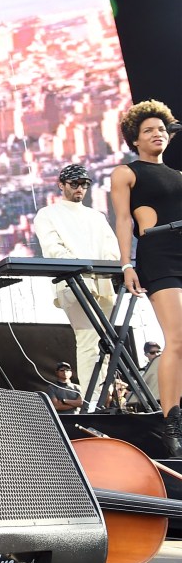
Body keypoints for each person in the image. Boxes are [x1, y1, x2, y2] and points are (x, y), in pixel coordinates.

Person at [112, 99, 182, 455]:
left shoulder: (179, 176)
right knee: (178, 338)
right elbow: (124, 220)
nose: (158, 134)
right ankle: (172, 424)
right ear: (135, 139)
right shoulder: (127, 173)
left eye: (161, 129)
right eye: (149, 130)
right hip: (160, 253)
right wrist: (127, 264)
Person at [32, 164, 120, 409]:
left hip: (103, 283)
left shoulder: (97, 216)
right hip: (74, 282)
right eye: (74, 184)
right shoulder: (48, 214)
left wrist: (111, 271)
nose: (80, 188)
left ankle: (103, 399)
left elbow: (111, 248)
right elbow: (53, 249)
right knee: (88, 339)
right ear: (61, 185)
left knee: (106, 343)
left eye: (84, 184)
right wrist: (81, 268)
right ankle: (93, 401)